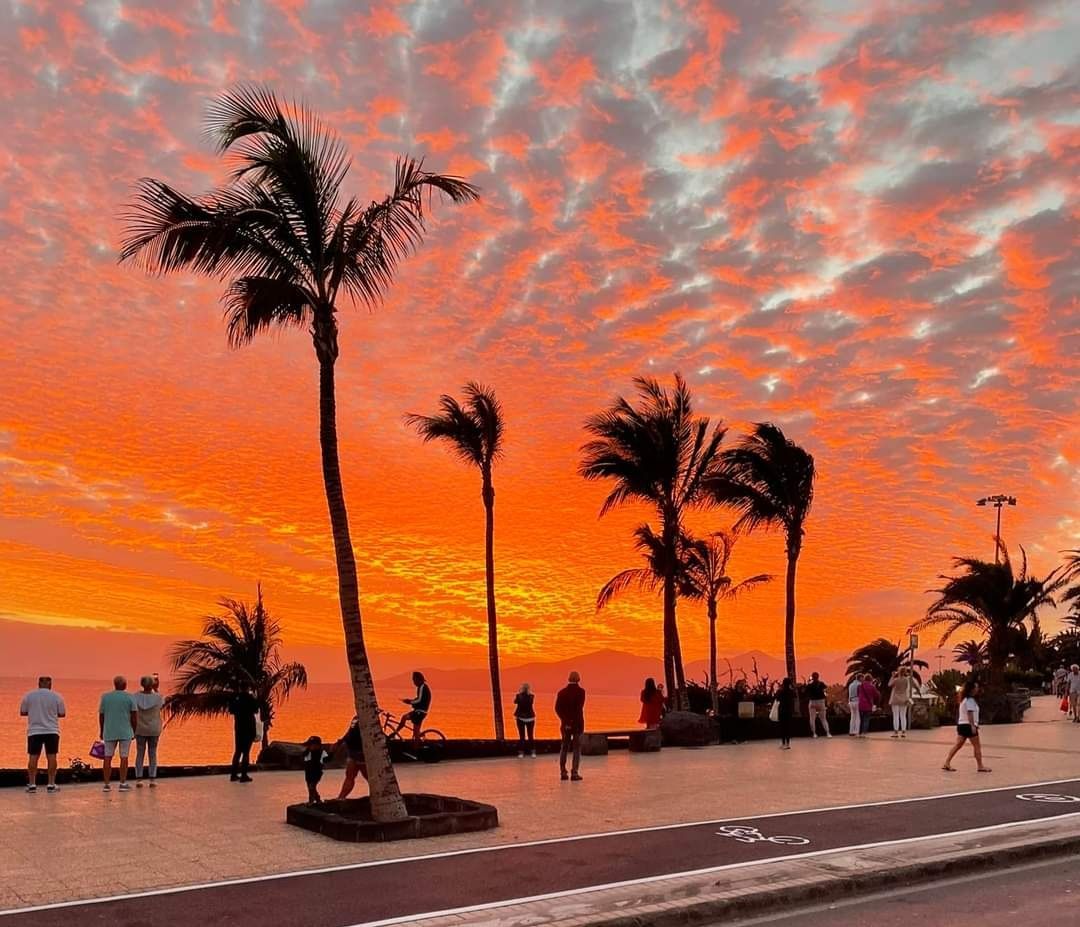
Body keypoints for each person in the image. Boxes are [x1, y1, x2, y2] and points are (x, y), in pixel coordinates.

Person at [20, 676, 66, 793]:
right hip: (52, 730)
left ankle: (32, 784)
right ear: (50, 684)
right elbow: (62, 713)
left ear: (38, 684)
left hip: (34, 731)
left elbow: (23, 712)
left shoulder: (29, 696)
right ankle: (51, 784)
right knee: (51, 756)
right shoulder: (57, 696)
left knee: (33, 757)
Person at [943, 679, 992, 773]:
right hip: (968, 726)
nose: (977, 689)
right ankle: (980, 766)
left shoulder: (964, 700)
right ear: (972, 689)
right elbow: (970, 713)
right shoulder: (970, 700)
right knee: (977, 746)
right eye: (976, 687)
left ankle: (947, 762)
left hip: (961, 725)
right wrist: (973, 726)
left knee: (958, 745)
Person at [99, 675, 138, 791]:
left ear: (114, 684)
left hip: (109, 731)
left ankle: (106, 784)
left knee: (107, 757)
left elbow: (101, 715)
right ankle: (123, 783)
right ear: (125, 685)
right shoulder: (130, 697)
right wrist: (134, 731)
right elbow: (134, 716)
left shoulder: (105, 697)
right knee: (124, 757)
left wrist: (101, 730)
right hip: (125, 731)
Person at [133, 675, 164, 787]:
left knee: (140, 753)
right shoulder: (158, 697)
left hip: (140, 728)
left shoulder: (135, 696)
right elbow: (162, 704)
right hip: (153, 728)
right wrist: (156, 689)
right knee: (153, 753)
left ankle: (139, 779)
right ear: (152, 685)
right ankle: (152, 779)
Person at [555, 671, 586, 781]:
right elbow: (578, 708)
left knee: (564, 747)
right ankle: (574, 772)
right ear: (578, 679)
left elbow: (557, 709)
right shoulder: (581, 692)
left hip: (565, 725)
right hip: (577, 724)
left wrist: (566, 721)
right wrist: (572, 721)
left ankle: (563, 772)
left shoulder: (561, 692)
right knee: (576, 748)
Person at [228, 686, 259, 782]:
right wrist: (255, 698)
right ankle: (244, 775)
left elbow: (231, 710)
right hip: (248, 728)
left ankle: (233, 775)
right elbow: (256, 710)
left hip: (239, 728)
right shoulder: (250, 698)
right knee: (246, 752)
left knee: (237, 751)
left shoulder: (236, 698)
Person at [335, 715, 369, 800]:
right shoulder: (365, 719)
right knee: (368, 777)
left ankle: (341, 797)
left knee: (351, 777)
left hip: (355, 752)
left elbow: (349, 732)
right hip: (358, 752)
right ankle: (341, 797)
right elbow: (350, 732)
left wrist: (341, 741)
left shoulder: (357, 718)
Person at [392, 672, 432, 741]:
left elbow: (419, 700)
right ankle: (395, 733)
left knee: (416, 734)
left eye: (414, 680)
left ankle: (416, 750)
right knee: (405, 718)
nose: (414, 682)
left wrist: (409, 701)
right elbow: (418, 699)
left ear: (418, 679)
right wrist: (411, 701)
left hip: (420, 712)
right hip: (420, 711)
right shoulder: (421, 687)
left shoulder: (422, 687)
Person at [302, 735, 329, 805]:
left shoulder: (322, 752)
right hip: (308, 773)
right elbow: (304, 758)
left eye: (313, 745)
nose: (311, 746)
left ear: (318, 745)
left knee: (312, 786)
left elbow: (327, 760)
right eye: (310, 745)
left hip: (317, 773)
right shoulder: (307, 752)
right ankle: (318, 800)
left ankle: (311, 801)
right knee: (310, 787)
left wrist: (332, 752)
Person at [889, 667, 914, 739]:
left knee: (896, 716)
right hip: (904, 699)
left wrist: (893, 676)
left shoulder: (896, 680)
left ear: (899, 672)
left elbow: (889, 684)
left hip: (895, 699)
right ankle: (903, 732)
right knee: (903, 716)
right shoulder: (906, 680)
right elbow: (907, 689)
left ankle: (896, 732)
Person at [514, 683, 536, 757]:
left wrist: (520, 693)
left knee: (522, 736)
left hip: (522, 718)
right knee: (530, 736)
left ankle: (521, 752)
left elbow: (516, 701)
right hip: (529, 718)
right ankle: (532, 752)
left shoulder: (520, 696)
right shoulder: (531, 696)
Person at [805, 672, 831, 738]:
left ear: (812, 677)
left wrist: (808, 682)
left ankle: (814, 733)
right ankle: (828, 733)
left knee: (812, 719)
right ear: (818, 677)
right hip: (821, 701)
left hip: (812, 702)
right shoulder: (821, 684)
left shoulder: (810, 685)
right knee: (823, 719)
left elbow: (805, 691)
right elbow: (825, 691)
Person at [776, 677, 796, 749]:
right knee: (788, 727)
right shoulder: (792, 692)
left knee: (782, 728)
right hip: (789, 711)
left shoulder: (780, 691)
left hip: (782, 710)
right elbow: (795, 697)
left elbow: (777, 699)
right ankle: (788, 743)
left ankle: (783, 743)